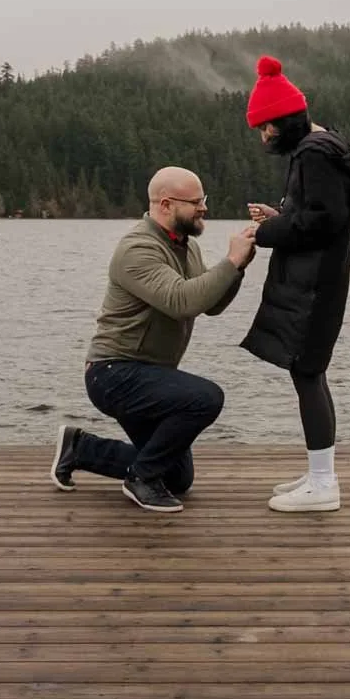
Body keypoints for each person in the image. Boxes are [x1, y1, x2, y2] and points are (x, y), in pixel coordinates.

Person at [50, 167, 258, 513]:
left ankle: (80, 448)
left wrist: (237, 268)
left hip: (146, 373)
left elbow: (210, 304)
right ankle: (140, 480)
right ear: (166, 204)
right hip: (113, 373)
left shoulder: (186, 246)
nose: (204, 208)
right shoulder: (137, 249)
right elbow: (182, 302)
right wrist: (231, 260)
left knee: (177, 477)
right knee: (206, 397)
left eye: (203, 200)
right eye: (196, 202)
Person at [240, 56, 350, 513]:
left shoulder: (313, 153)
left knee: (307, 372)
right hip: (324, 280)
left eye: (265, 128)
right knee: (309, 372)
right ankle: (319, 472)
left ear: (285, 120)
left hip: (316, 286)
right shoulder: (324, 147)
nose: (264, 137)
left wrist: (267, 233)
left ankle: (323, 483)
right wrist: (283, 218)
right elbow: (319, 216)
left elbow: (323, 223)